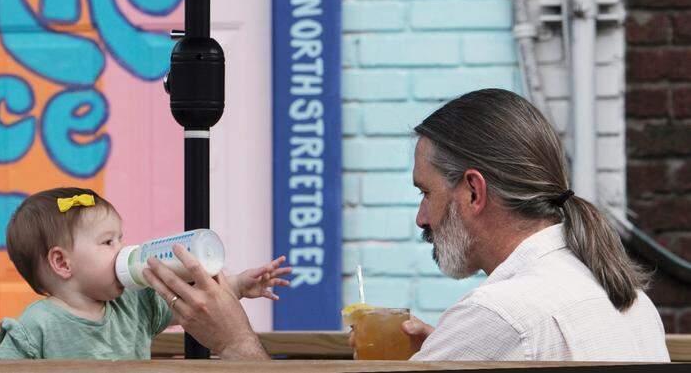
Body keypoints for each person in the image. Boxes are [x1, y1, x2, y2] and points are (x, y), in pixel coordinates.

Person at [143, 89, 670, 362]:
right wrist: (448, 351)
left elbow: (512, 332)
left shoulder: (501, 314)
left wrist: (235, 343)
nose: (421, 217)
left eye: (426, 193)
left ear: (473, 191)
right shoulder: (623, 297)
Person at [0, 186, 289, 359]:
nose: (124, 249)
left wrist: (238, 284)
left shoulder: (135, 304)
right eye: (108, 242)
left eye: (121, 238)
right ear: (62, 263)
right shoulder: (37, 325)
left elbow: (195, 303)